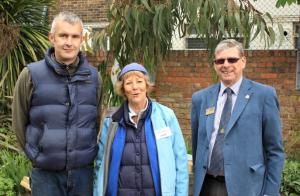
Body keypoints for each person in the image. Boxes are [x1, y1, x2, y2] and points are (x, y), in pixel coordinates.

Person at [12, 11, 102, 196]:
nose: (69, 42)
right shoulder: (30, 75)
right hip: (45, 175)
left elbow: (97, 121)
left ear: (82, 39)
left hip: (82, 174)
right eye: (63, 35)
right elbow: (19, 121)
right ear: (51, 37)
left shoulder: (93, 77)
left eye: (75, 36)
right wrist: (35, 154)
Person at [191, 39, 285, 196]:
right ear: (215, 65)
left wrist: (270, 192)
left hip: (247, 186)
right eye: (220, 61)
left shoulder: (264, 95)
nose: (225, 65)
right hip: (207, 185)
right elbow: (196, 145)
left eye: (232, 59)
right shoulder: (200, 98)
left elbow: (275, 150)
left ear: (243, 61)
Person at [93, 63, 188, 196]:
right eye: (129, 83)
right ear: (123, 89)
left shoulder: (166, 116)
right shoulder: (112, 121)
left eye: (139, 81)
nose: (135, 87)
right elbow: (100, 163)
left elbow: (180, 161)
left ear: (146, 85)